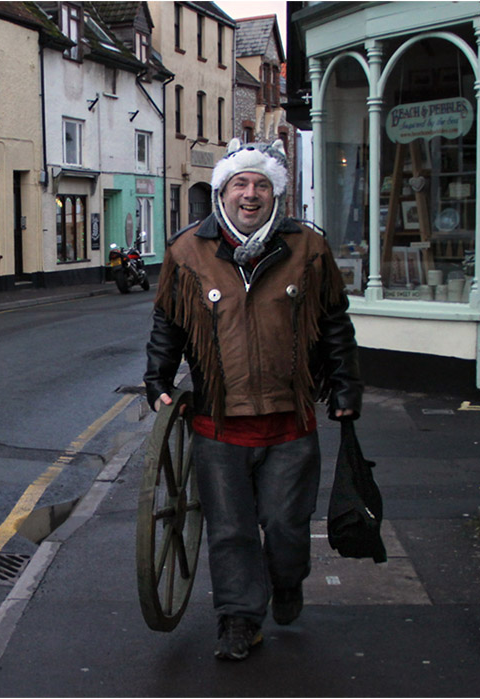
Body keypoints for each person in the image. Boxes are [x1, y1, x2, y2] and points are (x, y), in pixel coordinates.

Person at [143, 139, 362, 661]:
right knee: (231, 531)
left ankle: (287, 582)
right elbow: (168, 325)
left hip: (291, 421)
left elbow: (334, 321)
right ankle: (239, 620)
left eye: (261, 184)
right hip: (219, 426)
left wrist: (346, 386)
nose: (250, 193)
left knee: (286, 528)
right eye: (240, 183)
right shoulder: (186, 250)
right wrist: (158, 381)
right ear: (222, 190)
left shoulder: (307, 247)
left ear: (275, 194)